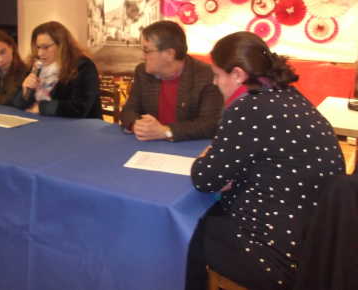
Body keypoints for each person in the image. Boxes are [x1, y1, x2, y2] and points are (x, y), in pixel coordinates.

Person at [185, 32, 346, 290]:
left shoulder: (248, 107)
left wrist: (206, 159)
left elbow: (205, 179)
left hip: (273, 254)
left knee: (188, 231)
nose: (214, 83)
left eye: (216, 75)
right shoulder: (290, 95)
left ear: (237, 74)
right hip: (316, 246)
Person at [120, 21, 223, 141]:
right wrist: (136, 125)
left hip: (188, 147)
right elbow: (128, 110)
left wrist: (166, 131)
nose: (142, 56)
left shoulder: (206, 75)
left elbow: (210, 124)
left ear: (169, 54)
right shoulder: (142, 72)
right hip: (149, 145)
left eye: (147, 51)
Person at [13, 21, 102, 118]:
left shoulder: (83, 66)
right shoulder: (36, 65)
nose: (40, 53)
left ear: (62, 45)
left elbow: (80, 108)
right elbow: (17, 104)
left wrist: (42, 108)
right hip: (42, 122)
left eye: (46, 47)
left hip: (79, 126)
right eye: (38, 47)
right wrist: (25, 92)